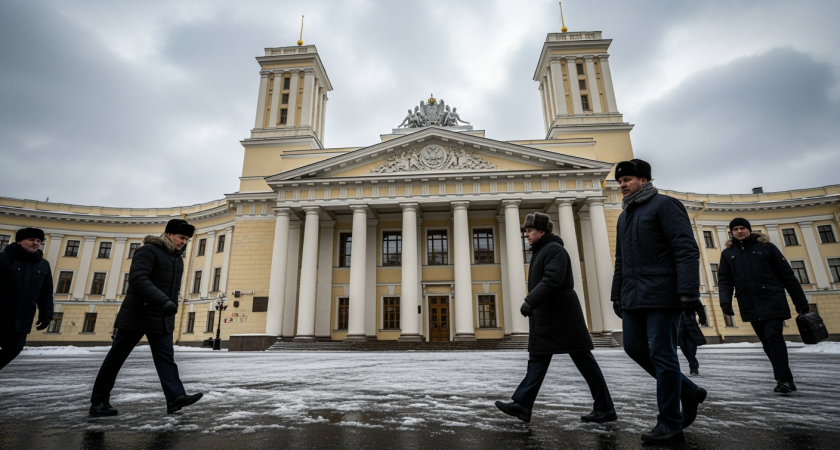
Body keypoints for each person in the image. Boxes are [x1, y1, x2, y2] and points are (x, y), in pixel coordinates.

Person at [611, 159, 707, 444]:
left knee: (663, 355)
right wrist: (617, 293)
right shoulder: (624, 216)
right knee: (633, 347)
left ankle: (670, 422)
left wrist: (688, 290)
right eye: (620, 181)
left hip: (664, 294)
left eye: (627, 179)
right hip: (633, 295)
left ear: (644, 180)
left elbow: (686, 248)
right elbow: (621, 261)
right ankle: (689, 391)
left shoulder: (665, 205)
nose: (622, 185)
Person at [496, 213, 616, 424]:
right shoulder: (543, 251)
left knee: (583, 360)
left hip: (562, 315)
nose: (526, 235)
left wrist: (530, 301)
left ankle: (605, 407)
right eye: (525, 231)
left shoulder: (554, 250)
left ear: (542, 231)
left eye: (529, 230)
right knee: (538, 359)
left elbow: (553, 279)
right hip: (548, 316)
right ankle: (523, 404)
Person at [89, 219, 203, 416]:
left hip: (161, 317)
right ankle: (99, 402)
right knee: (116, 359)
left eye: (187, 239)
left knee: (166, 358)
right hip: (137, 314)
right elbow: (138, 279)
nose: (184, 242)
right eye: (181, 237)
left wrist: (168, 306)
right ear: (169, 234)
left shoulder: (177, 258)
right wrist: (164, 301)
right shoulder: (148, 251)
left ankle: (175, 397)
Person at [717, 218, 809, 393]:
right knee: (767, 342)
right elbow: (725, 280)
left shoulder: (766, 248)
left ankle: (782, 380)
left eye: (742, 228)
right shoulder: (728, 254)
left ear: (750, 230)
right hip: (749, 303)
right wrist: (725, 302)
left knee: (773, 336)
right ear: (731, 233)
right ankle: (787, 378)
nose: (739, 231)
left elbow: (787, 275)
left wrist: (801, 302)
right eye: (735, 229)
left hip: (772, 300)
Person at [0, 228, 53, 370]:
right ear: (19, 241)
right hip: (2, 313)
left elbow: (46, 292)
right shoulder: (4, 258)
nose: (35, 243)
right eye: (31, 240)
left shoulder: (43, 264)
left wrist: (46, 314)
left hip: (22, 318)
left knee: (15, 348)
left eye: (38, 241)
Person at [678, 310, 707, 376]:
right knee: (684, 348)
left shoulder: (689, 299)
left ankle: (693, 367)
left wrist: (702, 319)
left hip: (691, 328)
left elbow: (699, 306)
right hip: (679, 329)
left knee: (691, 348)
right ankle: (694, 364)